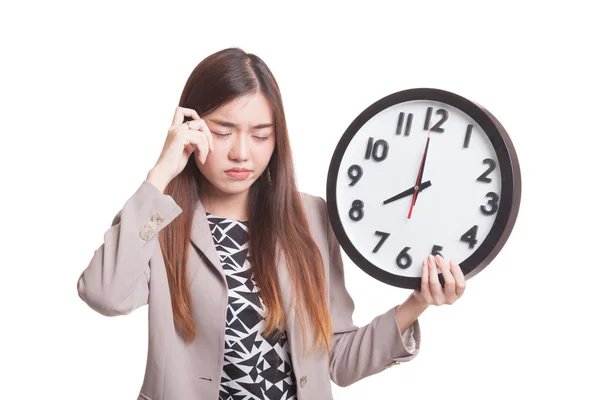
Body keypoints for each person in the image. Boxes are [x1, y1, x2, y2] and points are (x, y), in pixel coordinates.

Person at [77, 47, 466, 400]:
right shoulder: (161, 218)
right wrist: (160, 174)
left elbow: (339, 360)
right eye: (221, 132)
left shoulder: (311, 218)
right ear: (191, 128)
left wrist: (417, 303)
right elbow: (104, 294)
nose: (241, 152)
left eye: (260, 135)